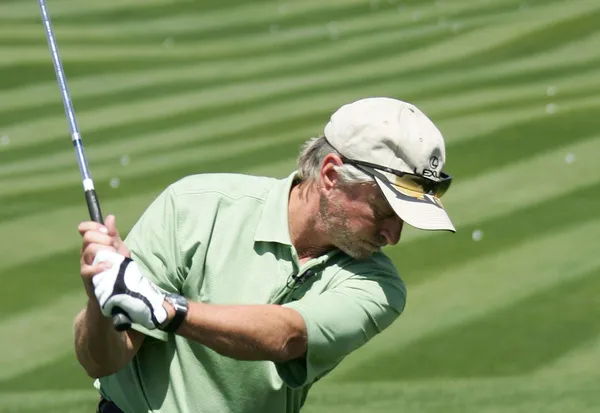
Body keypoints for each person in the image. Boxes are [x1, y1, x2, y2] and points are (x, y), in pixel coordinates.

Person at [75, 97, 456, 413]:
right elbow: (102, 360)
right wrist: (102, 297)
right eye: (384, 212)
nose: (394, 236)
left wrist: (166, 309)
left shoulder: (381, 287)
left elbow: (288, 336)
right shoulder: (194, 208)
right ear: (330, 175)